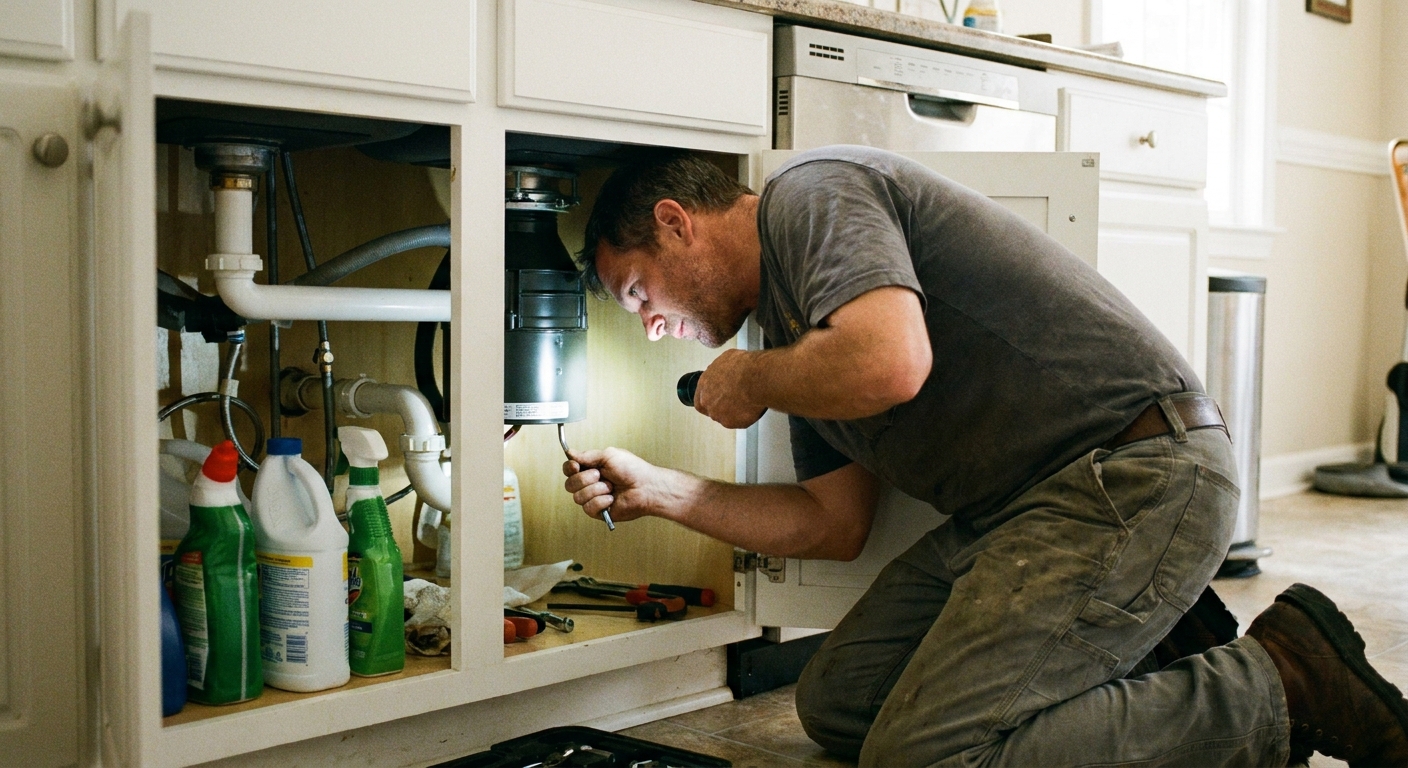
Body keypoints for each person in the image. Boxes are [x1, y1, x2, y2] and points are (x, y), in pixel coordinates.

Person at [561, 146, 1408, 767]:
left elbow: (892, 361)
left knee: (925, 758)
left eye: (638, 291)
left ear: (676, 224)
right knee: (840, 700)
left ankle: (1283, 682)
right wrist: (665, 491)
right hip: (1024, 516)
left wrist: (753, 377)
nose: (648, 323)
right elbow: (832, 521)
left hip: (1138, 475)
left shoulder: (810, 196)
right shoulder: (793, 338)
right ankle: (1142, 653)